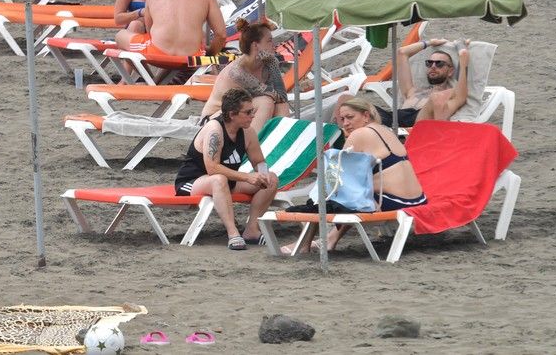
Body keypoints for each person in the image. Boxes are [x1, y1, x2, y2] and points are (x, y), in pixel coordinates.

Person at [281, 97, 427, 254]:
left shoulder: (360, 134)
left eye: (350, 117)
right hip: (416, 199)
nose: (345, 123)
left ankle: (305, 244)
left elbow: (336, 176)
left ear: (365, 115)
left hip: (394, 201)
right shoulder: (384, 130)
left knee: (322, 197)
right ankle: (329, 239)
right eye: (342, 119)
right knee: (351, 195)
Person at [174, 88, 280, 250]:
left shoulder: (247, 132)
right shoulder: (215, 130)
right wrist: (247, 177)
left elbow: (259, 161)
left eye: (253, 111)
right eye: (248, 112)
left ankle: (252, 230)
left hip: (227, 182)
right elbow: (212, 168)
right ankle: (233, 233)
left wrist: (263, 174)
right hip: (194, 181)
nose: (253, 115)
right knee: (219, 179)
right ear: (232, 114)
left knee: (271, 178)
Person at [116, 0, 227, 58]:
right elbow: (221, 35)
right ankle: (161, 79)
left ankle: (135, 78)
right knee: (200, 36)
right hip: (191, 56)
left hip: (157, 54)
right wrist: (210, 55)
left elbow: (150, 31)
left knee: (120, 35)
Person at [200, 19, 290, 130]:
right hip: (214, 120)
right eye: (269, 41)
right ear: (255, 45)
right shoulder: (237, 72)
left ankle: (280, 141)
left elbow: (282, 97)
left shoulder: (270, 61)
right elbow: (271, 94)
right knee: (265, 102)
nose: (274, 44)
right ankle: (255, 144)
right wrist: (275, 94)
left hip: (242, 112)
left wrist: (277, 96)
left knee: (281, 104)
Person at [377, 38, 470, 127]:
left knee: (436, 99)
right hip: (391, 120)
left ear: (450, 71)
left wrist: (461, 47)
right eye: (429, 63)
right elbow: (402, 52)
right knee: (364, 108)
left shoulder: (450, 94)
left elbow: (463, 55)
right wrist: (430, 42)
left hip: (416, 127)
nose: (433, 66)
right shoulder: (412, 91)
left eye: (439, 64)